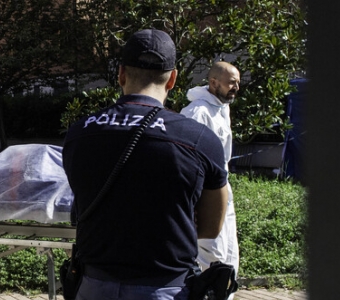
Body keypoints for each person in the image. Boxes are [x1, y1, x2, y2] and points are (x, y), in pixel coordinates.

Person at [62, 29, 229, 299]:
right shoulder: (199, 139)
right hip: (165, 287)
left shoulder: (80, 133)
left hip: (93, 286)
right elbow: (211, 227)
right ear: (172, 79)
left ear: (121, 74)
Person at [180, 61, 241, 296]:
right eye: (231, 82)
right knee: (210, 255)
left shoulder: (222, 106)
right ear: (213, 82)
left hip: (223, 189)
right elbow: (191, 160)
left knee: (229, 254)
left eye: (237, 82)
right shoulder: (197, 112)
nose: (236, 86)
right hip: (206, 193)